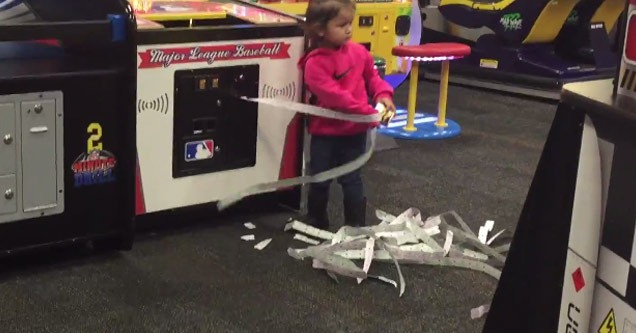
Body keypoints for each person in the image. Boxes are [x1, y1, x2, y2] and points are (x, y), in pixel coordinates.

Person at [297, 0, 396, 228]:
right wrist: (369, 113)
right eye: (342, 25)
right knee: (320, 178)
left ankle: (356, 227)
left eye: (350, 23)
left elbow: (373, 77)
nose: (349, 29)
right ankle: (316, 220)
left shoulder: (359, 51)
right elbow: (336, 98)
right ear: (320, 29)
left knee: (352, 179)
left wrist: (383, 94)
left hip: (354, 131)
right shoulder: (315, 64)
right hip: (326, 132)